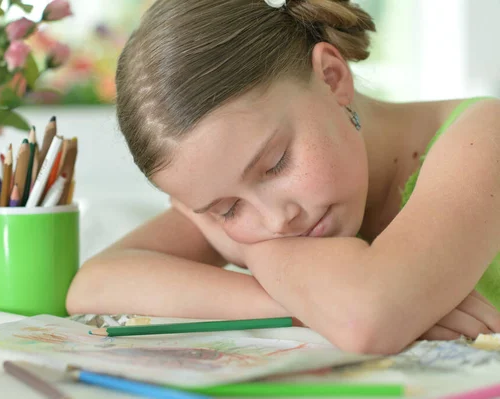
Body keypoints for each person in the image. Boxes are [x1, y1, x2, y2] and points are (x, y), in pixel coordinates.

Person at [67, 0, 500, 354]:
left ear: (332, 78)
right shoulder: (263, 206)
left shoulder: (484, 136)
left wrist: (242, 245)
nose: (276, 222)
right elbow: (94, 283)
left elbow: (364, 319)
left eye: (275, 164)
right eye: (226, 209)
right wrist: (306, 302)